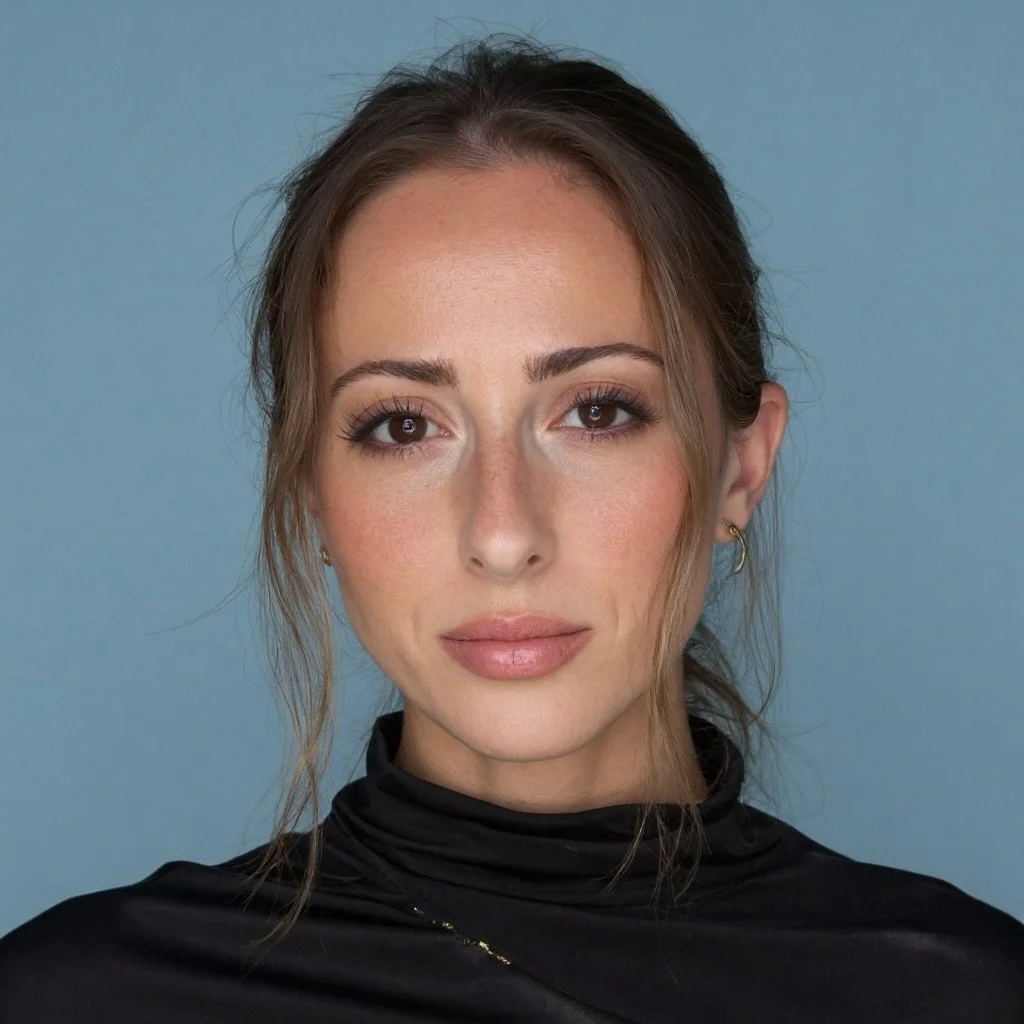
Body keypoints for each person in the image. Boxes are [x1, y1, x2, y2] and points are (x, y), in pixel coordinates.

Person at [1, 33, 1021, 1023]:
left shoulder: (968, 992)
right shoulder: (76, 995)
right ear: (310, 489)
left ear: (738, 468)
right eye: (402, 425)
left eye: (597, 410)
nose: (500, 532)